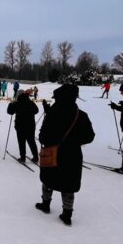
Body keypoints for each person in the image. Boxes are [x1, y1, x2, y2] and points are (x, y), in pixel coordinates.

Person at [36, 83, 95, 226]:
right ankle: (67, 214)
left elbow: (43, 137)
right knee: (68, 184)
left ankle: (46, 204)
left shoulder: (53, 114)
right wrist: (75, 142)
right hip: (72, 155)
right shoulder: (81, 115)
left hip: (53, 152)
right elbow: (90, 137)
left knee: (48, 180)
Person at [6, 90, 39, 163]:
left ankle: (22, 158)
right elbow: (36, 111)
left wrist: (10, 104)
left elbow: (10, 112)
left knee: (21, 142)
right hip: (30, 125)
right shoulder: (30, 102)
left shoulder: (17, 103)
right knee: (31, 141)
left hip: (20, 125)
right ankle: (36, 157)